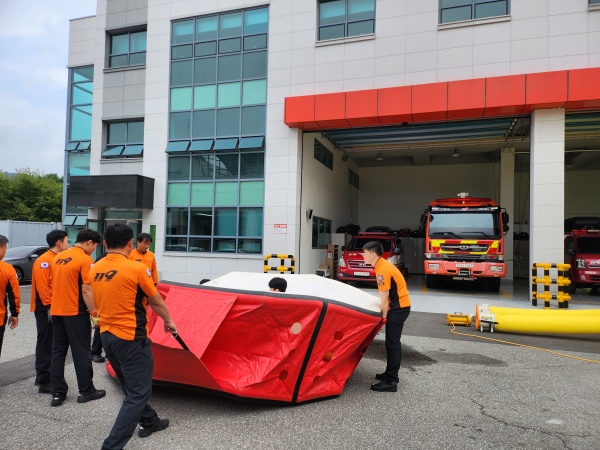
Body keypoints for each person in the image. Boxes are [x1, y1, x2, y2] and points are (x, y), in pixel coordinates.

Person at [90, 224, 177, 449]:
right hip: (131, 337)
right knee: (138, 392)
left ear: (105, 243)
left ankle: (149, 421)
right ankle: (112, 446)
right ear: (131, 243)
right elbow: (155, 299)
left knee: (131, 385)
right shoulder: (135, 268)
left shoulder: (95, 268)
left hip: (107, 335)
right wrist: (168, 321)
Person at [49, 228, 105, 407]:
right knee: (81, 351)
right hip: (75, 312)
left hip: (57, 310)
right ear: (89, 242)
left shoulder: (58, 257)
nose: (93, 250)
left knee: (58, 352)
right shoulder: (85, 260)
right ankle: (86, 391)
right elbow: (87, 289)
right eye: (94, 246)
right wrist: (95, 313)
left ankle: (57, 393)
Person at [362, 240, 411, 393]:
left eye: (364, 253)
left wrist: (383, 318)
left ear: (373, 254)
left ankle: (391, 381)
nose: (363, 256)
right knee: (391, 343)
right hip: (399, 306)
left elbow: (384, 298)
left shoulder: (382, 270)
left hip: (398, 308)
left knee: (392, 343)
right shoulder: (382, 265)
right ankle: (391, 374)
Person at [30, 229, 69, 393]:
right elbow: (43, 287)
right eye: (67, 241)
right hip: (46, 308)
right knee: (46, 343)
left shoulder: (58, 259)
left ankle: (48, 376)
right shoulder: (44, 260)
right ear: (59, 243)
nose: (68, 244)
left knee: (53, 342)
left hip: (55, 307)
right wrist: (50, 306)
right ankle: (43, 380)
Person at [0, 235, 20, 358]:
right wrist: (14, 313)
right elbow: (13, 294)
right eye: (6, 248)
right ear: (1, 247)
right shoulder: (7, 269)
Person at [91, 252, 109, 363]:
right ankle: (95, 352)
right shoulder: (99, 265)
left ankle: (109, 352)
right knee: (100, 326)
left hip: (111, 301)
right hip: (100, 302)